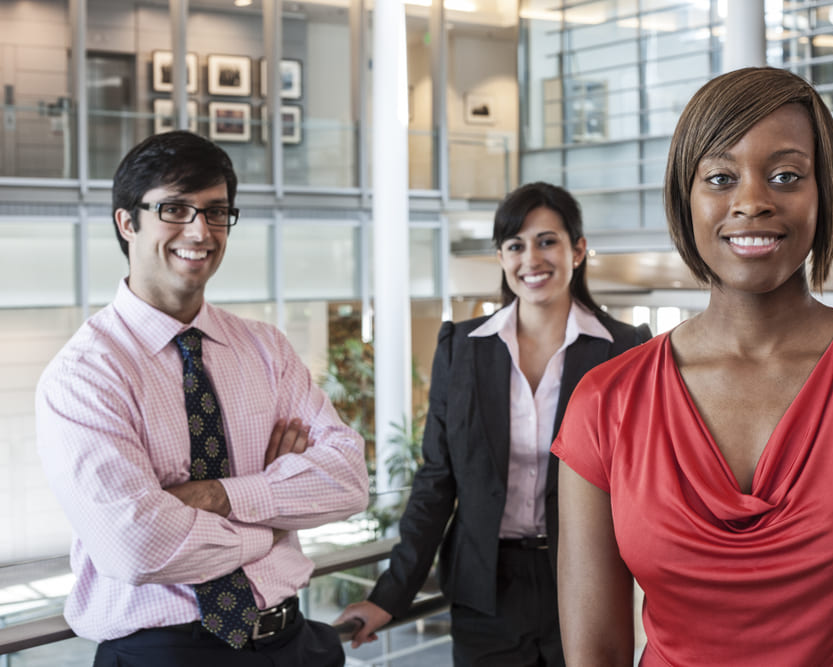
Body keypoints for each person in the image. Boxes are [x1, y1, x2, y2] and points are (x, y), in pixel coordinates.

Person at [553, 67, 833, 666]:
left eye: (786, 175)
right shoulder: (606, 403)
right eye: (721, 177)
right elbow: (595, 654)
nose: (753, 200)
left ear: (824, 192)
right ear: (687, 196)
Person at [35, 130, 370, 667]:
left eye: (216, 212)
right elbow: (136, 547)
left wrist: (216, 496)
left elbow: (349, 482)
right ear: (127, 222)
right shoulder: (84, 376)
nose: (200, 230)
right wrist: (274, 517)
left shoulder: (266, 348)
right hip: (165, 653)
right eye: (175, 208)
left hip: (295, 643)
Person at [334, 182, 651, 665]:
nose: (532, 259)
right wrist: (388, 597)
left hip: (586, 581)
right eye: (515, 245)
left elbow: (643, 481)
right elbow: (436, 482)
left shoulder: (625, 350)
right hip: (484, 588)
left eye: (547, 241)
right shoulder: (461, 348)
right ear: (500, 257)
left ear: (579, 250)